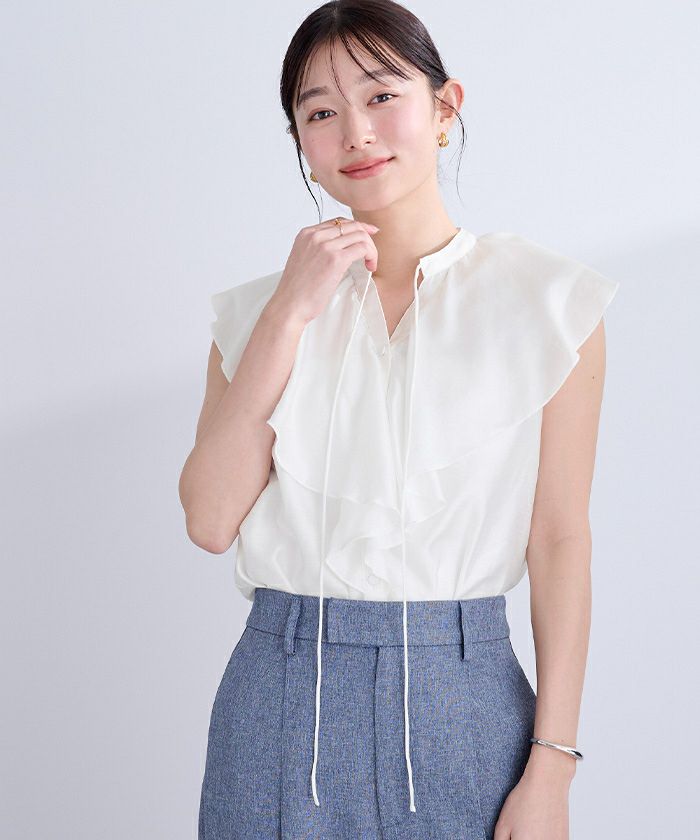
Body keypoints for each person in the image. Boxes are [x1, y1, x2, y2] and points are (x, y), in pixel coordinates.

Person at [179, 1, 619, 838]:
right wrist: (288, 313)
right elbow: (208, 520)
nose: (356, 132)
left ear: (445, 107)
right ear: (301, 143)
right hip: (278, 696)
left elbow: (559, 537)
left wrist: (553, 766)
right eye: (320, 113)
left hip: (466, 696)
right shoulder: (254, 317)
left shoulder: (548, 304)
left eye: (382, 96)